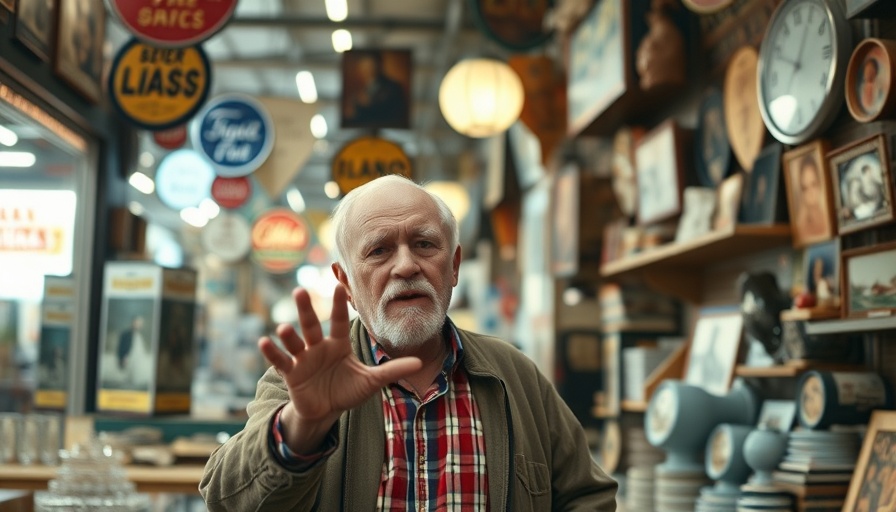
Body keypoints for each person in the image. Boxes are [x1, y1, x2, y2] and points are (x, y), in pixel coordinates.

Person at [200, 175, 618, 511]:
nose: (405, 266)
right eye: (379, 250)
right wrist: (303, 426)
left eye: (424, 244)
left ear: (453, 266)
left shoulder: (515, 375)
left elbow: (588, 496)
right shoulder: (306, 379)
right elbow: (225, 499)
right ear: (345, 281)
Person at [342, 52, 409, 128]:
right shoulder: (361, 90)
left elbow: (393, 116)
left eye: (371, 65)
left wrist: (363, 106)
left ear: (378, 65)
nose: (367, 69)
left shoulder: (393, 87)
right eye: (365, 66)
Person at [794, 155, 830, 240]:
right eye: (805, 188)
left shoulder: (828, 219)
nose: (810, 193)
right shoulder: (801, 227)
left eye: (813, 184)